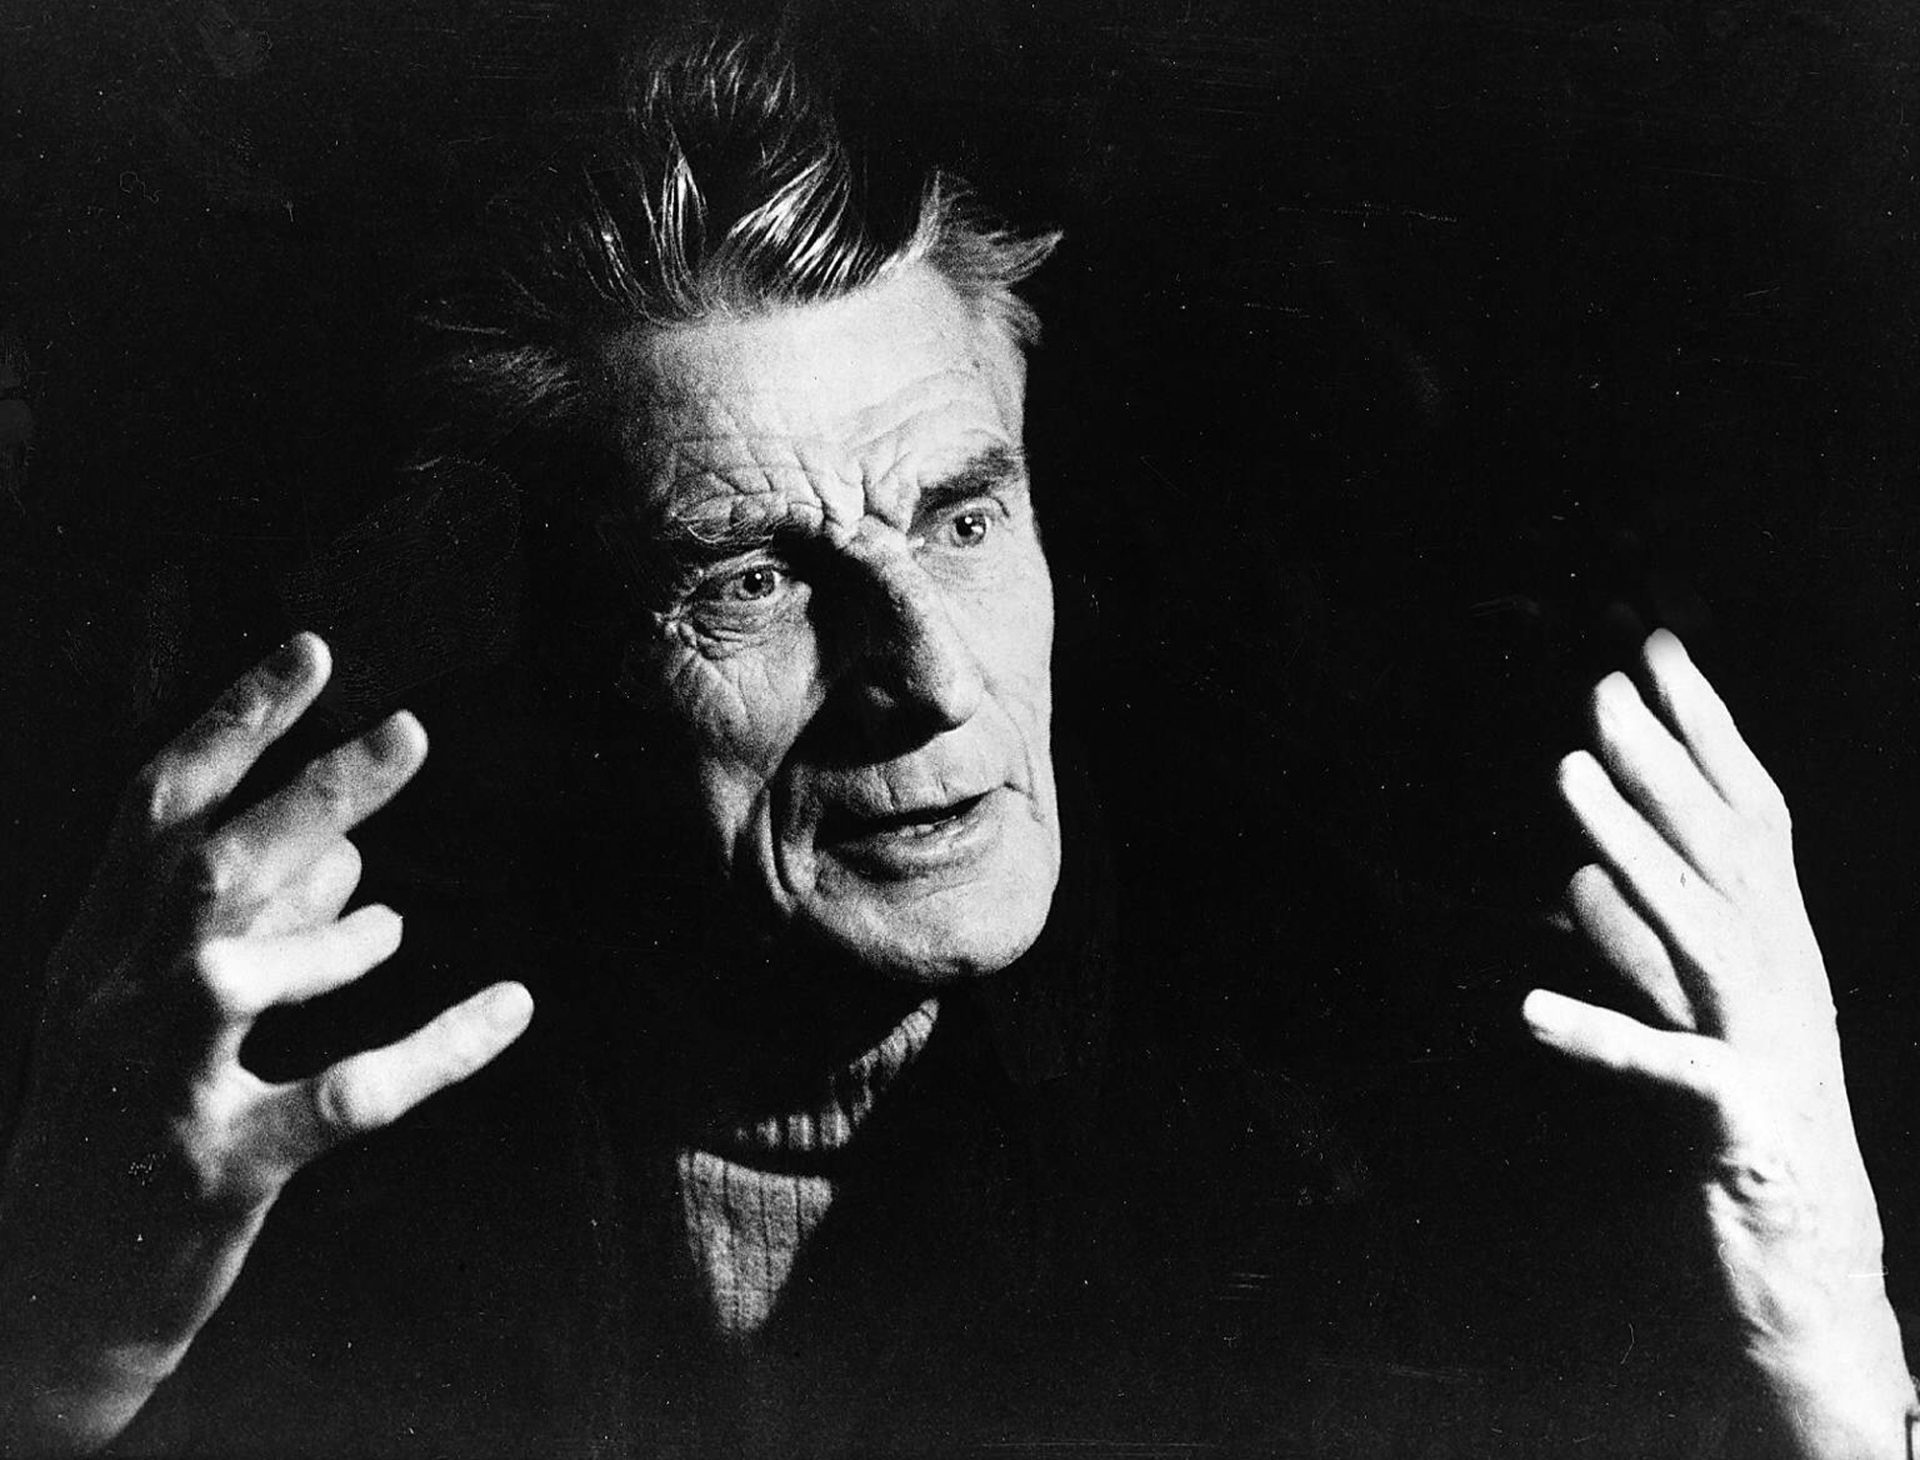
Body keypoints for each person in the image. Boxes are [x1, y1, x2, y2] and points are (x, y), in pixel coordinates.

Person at [0, 27, 1912, 1458]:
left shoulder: (1360, 1133)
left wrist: (1827, 1336)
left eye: (964, 516)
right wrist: (65, 1356)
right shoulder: (268, 1158)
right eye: (752, 579)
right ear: (544, 668)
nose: (925, 671)